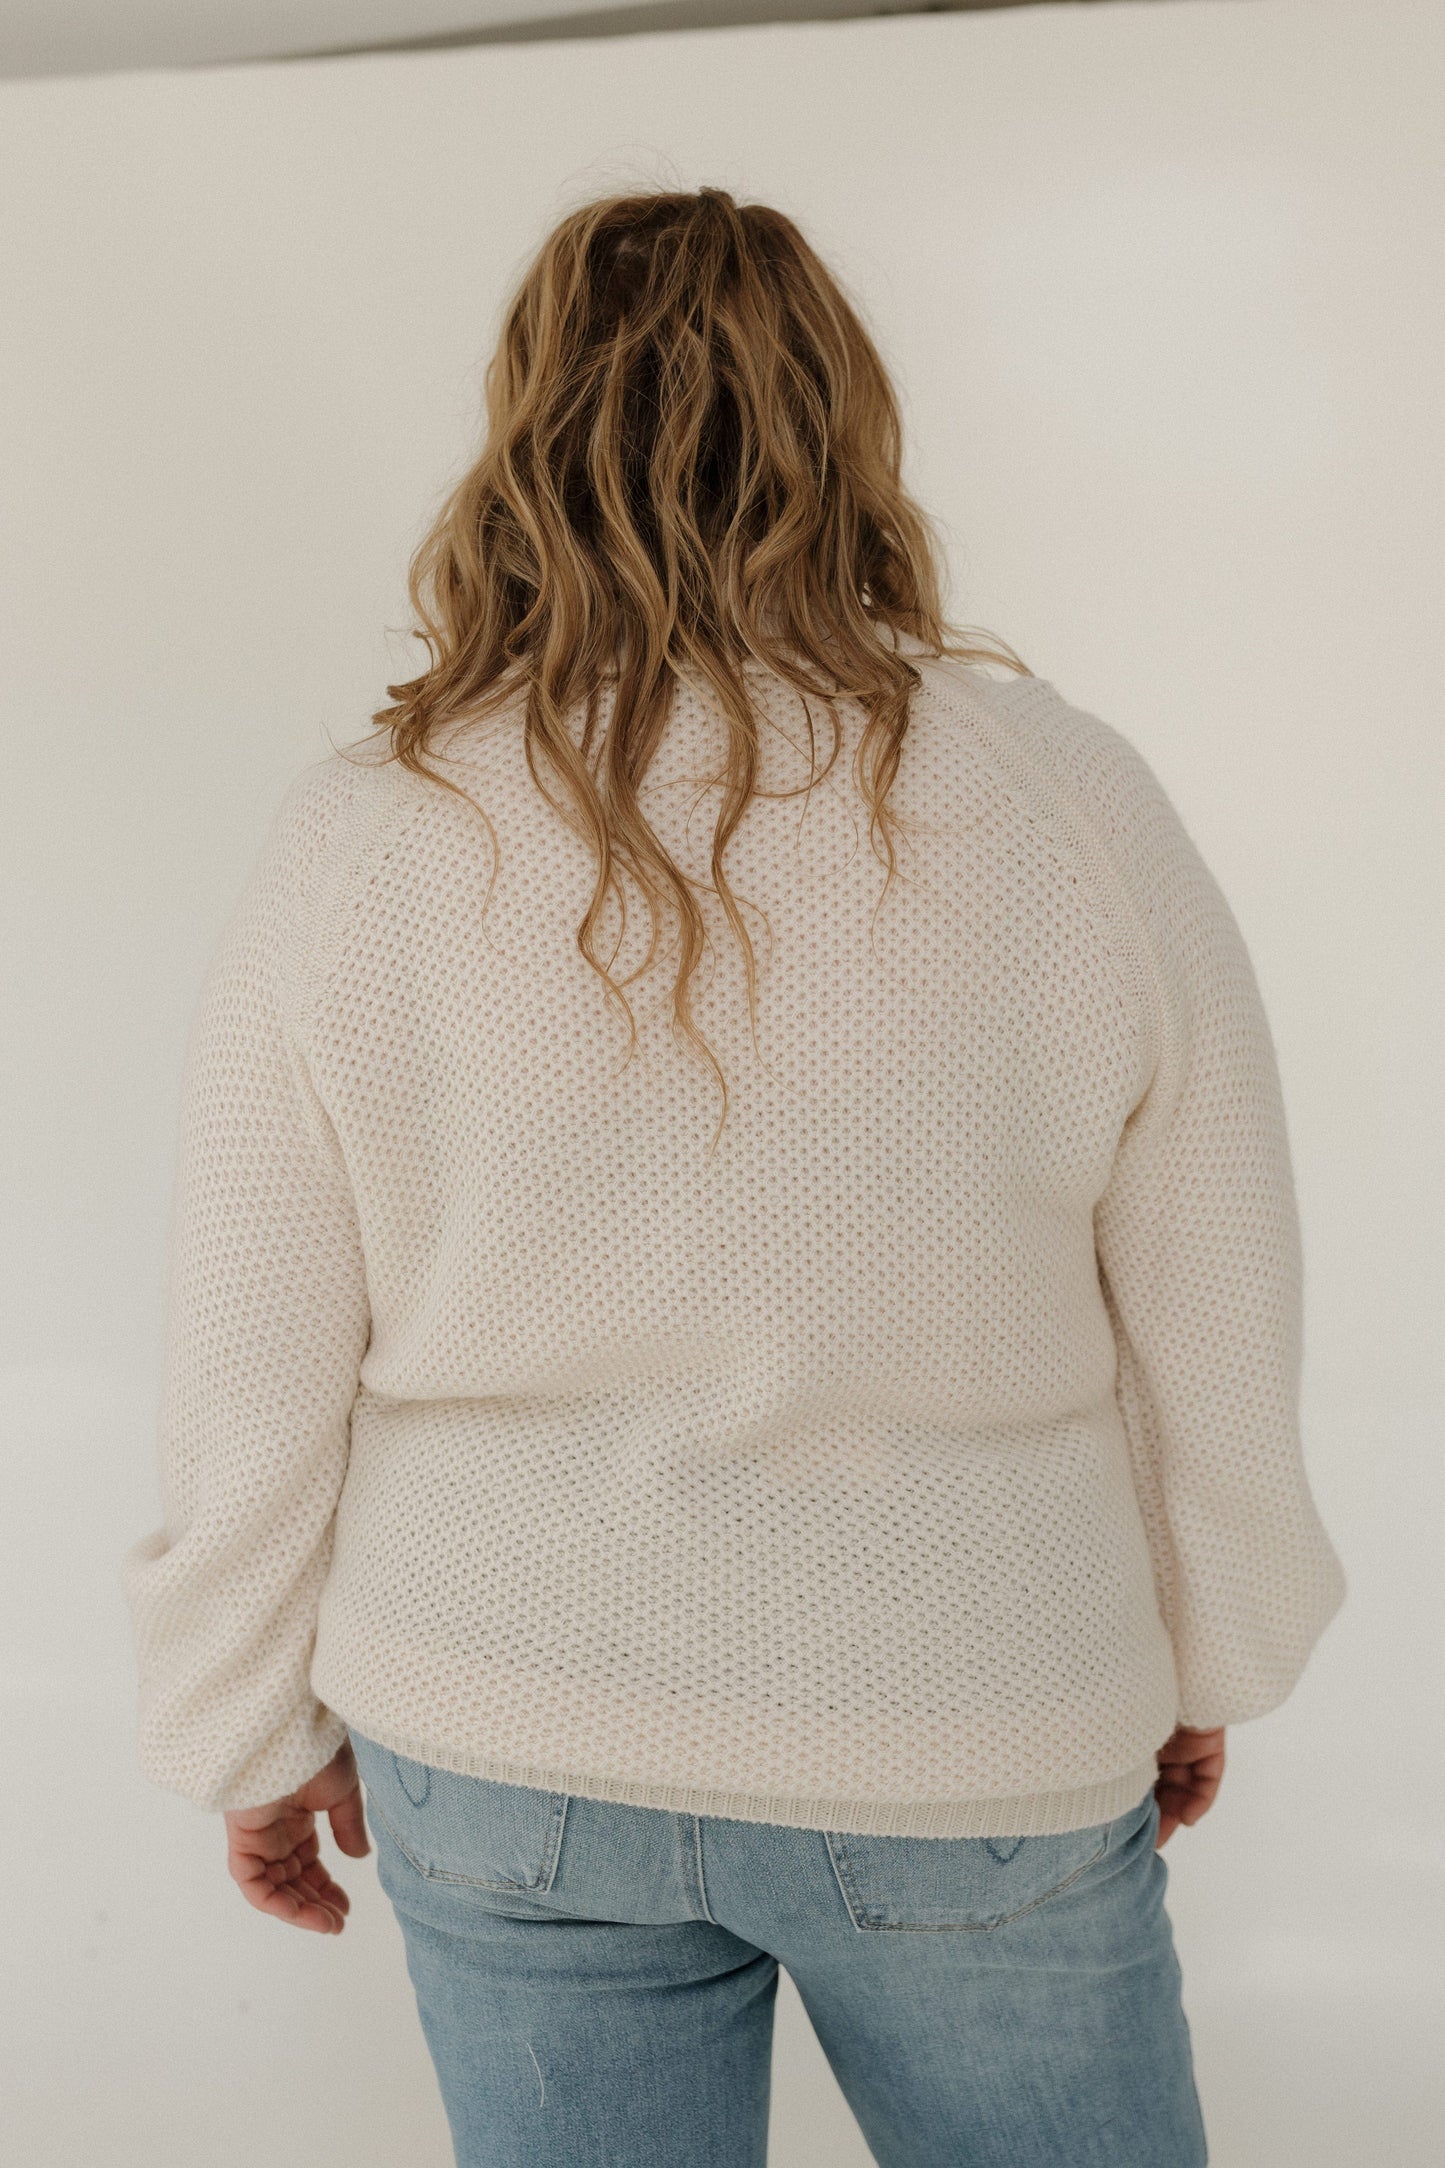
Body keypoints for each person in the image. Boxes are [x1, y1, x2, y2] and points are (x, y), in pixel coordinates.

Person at [123, 186, 1346, 2166]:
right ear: (844, 429)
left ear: (528, 436)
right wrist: (1199, 1642)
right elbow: (1217, 1279)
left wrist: (243, 1724)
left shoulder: (367, 834)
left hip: (505, 1738)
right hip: (976, 1717)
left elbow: (247, 1346)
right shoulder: (1065, 801)